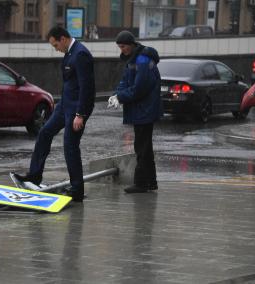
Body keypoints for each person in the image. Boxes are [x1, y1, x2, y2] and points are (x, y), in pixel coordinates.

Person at [15, 26, 95, 202]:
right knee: (44, 133)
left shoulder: (81, 54)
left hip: (76, 110)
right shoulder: (69, 53)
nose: (56, 49)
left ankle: (77, 189)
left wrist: (81, 114)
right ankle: (34, 176)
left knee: (70, 146)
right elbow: (69, 83)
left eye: (55, 45)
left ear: (63, 39)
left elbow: (87, 88)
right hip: (64, 106)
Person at [108, 30, 163, 193]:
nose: (122, 50)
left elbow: (140, 88)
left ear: (131, 44)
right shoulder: (134, 59)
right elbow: (125, 81)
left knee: (142, 148)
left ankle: (141, 183)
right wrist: (117, 94)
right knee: (144, 147)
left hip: (144, 110)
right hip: (141, 110)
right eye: (120, 47)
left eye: (123, 46)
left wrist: (121, 97)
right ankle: (149, 182)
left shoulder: (142, 60)